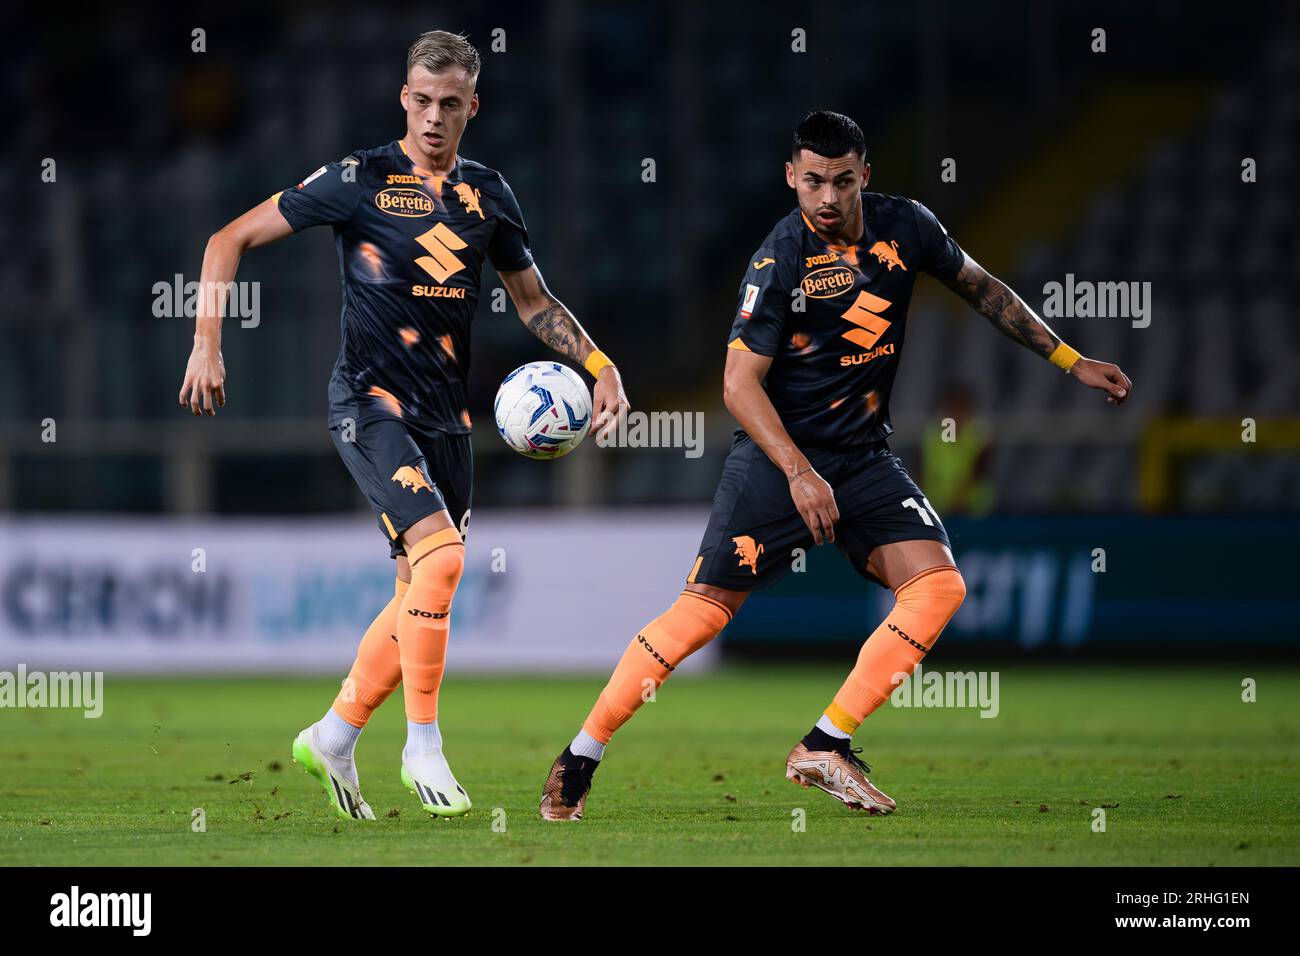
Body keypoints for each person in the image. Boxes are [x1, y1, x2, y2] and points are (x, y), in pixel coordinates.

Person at [539, 110, 1130, 820]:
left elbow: (983, 288)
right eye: (812, 181)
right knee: (703, 614)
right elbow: (737, 386)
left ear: (864, 177)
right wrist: (796, 471)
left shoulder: (908, 226)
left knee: (939, 588)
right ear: (791, 176)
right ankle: (582, 754)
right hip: (776, 458)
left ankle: (826, 742)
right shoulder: (778, 259)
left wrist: (1070, 359)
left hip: (862, 457)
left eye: (841, 181)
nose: (825, 197)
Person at [178, 31, 628, 820]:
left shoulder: (491, 194)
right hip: (368, 406)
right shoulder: (359, 178)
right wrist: (207, 343)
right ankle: (423, 745)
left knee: (418, 589)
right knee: (445, 559)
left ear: (472, 107)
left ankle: (334, 734)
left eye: (450, 104)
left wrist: (600, 364)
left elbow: (533, 303)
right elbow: (229, 238)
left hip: (446, 424)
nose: (433, 117)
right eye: (421, 100)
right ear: (404, 99)